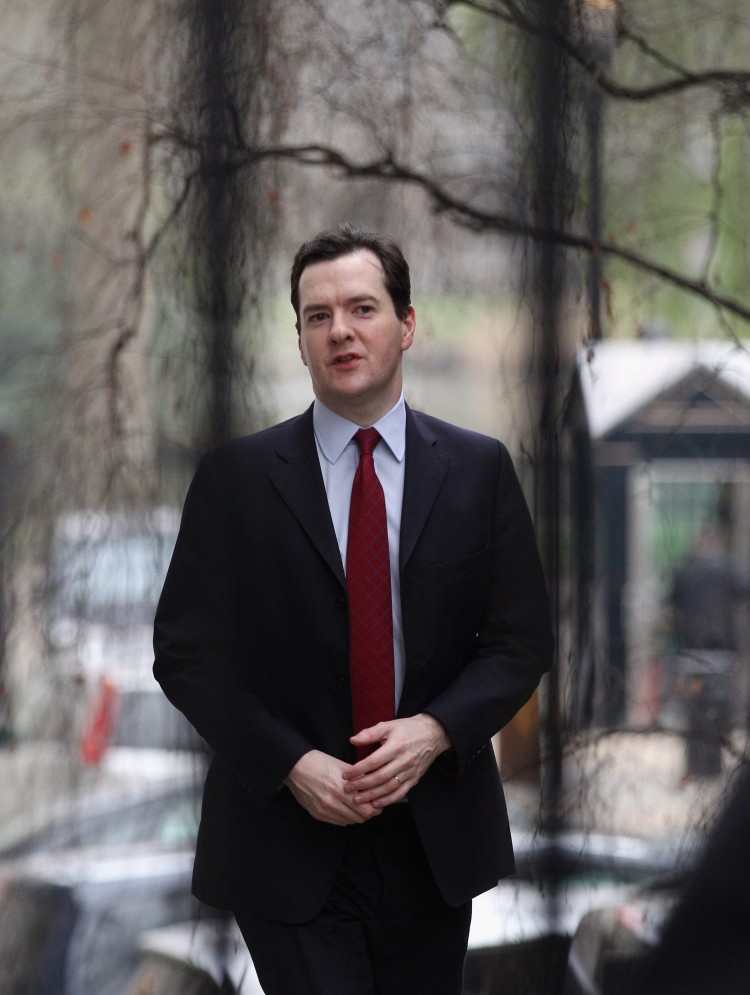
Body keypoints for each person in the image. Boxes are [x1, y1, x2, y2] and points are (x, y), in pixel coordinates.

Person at [153, 224, 553, 995]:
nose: (339, 329)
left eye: (362, 308)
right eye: (316, 315)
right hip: (283, 842)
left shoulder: (479, 471)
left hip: (435, 837)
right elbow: (187, 652)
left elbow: (519, 639)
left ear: (407, 325)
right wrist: (292, 765)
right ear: (300, 341)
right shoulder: (235, 480)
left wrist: (436, 730)